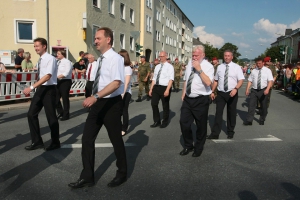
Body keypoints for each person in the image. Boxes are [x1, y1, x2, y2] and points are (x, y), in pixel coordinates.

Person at [68, 27, 127, 189]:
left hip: (111, 104)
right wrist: (94, 97)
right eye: (95, 38)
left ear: (108, 39)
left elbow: (116, 83)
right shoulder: (100, 60)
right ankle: (87, 176)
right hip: (97, 104)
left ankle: (122, 173)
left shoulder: (116, 58)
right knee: (87, 139)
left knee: (116, 140)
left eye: (98, 38)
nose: (95, 41)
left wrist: (95, 97)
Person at [23, 37, 60, 151]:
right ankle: (37, 141)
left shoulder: (50, 59)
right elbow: (41, 75)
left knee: (51, 117)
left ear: (44, 46)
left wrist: (32, 87)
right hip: (41, 89)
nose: (35, 48)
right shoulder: (40, 60)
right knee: (31, 114)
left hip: (49, 90)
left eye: (37, 46)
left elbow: (47, 76)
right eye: (34, 46)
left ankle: (55, 142)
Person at [179, 45, 214, 157]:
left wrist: (199, 69)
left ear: (203, 55)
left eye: (196, 55)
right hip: (188, 98)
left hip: (201, 99)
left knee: (201, 125)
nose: (194, 57)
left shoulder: (208, 66)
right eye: (193, 55)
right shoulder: (190, 63)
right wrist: (184, 92)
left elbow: (208, 83)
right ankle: (188, 145)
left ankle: (198, 147)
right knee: (183, 122)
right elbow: (186, 79)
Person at [207, 50, 244, 139]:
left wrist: (236, 89)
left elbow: (241, 80)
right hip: (221, 93)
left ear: (232, 57)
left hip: (232, 93)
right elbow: (216, 80)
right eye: (225, 55)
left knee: (231, 113)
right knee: (218, 113)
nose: (227, 57)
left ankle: (230, 131)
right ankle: (215, 133)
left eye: (228, 56)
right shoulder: (220, 67)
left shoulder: (236, 67)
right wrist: (212, 91)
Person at [243, 57, 274, 125]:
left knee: (263, 105)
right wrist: (247, 89)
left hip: (263, 90)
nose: (258, 65)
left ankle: (262, 118)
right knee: (251, 105)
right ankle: (249, 120)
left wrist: (267, 89)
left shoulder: (267, 70)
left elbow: (270, 81)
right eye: (257, 63)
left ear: (263, 63)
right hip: (254, 90)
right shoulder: (254, 71)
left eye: (260, 63)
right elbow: (250, 81)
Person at [149, 51, 174, 128]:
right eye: (160, 56)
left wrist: (167, 90)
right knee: (154, 103)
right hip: (156, 87)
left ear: (166, 56)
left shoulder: (170, 67)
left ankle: (165, 121)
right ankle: (157, 121)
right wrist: (151, 89)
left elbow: (171, 79)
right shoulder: (157, 66)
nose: (161, 58)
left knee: (165, 105)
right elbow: (154, 78)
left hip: (165, 87)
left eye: (162, 56)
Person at [56, 50, 73, 121]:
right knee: (56, 98)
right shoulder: (58, 62)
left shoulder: (67, 62)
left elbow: (66, 72)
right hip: (58, 81)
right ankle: (60, 112)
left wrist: (58, 77)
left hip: (65, 81)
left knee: (64, 98)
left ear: (63, 54)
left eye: (59, 54)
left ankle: (66, 114)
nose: (57, 55)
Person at [119, 49, 132, 136]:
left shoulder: (127, 68)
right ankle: (118, 127)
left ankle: (124, 128)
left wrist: (123, 94)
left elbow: (126, 83)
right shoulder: (119, 67)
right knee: (117, 111)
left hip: (125, 93)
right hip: (117, 92)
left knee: (124, 111)